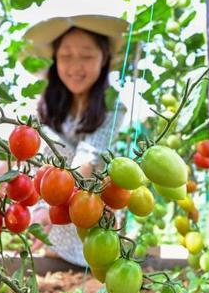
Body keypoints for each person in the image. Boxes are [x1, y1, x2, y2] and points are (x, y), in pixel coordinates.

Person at [22, 14, 130, 266]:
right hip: (53, 210)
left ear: (104, 60)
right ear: (55, 59)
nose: (75, 66)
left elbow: (86, 158)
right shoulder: (45, 106)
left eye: (87, 56)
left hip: (89, 212)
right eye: (66, 56)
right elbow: (29, 153)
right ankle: (57, 249)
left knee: (48, 141)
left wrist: (47, 207)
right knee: (38, 134)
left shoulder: (113, 107)